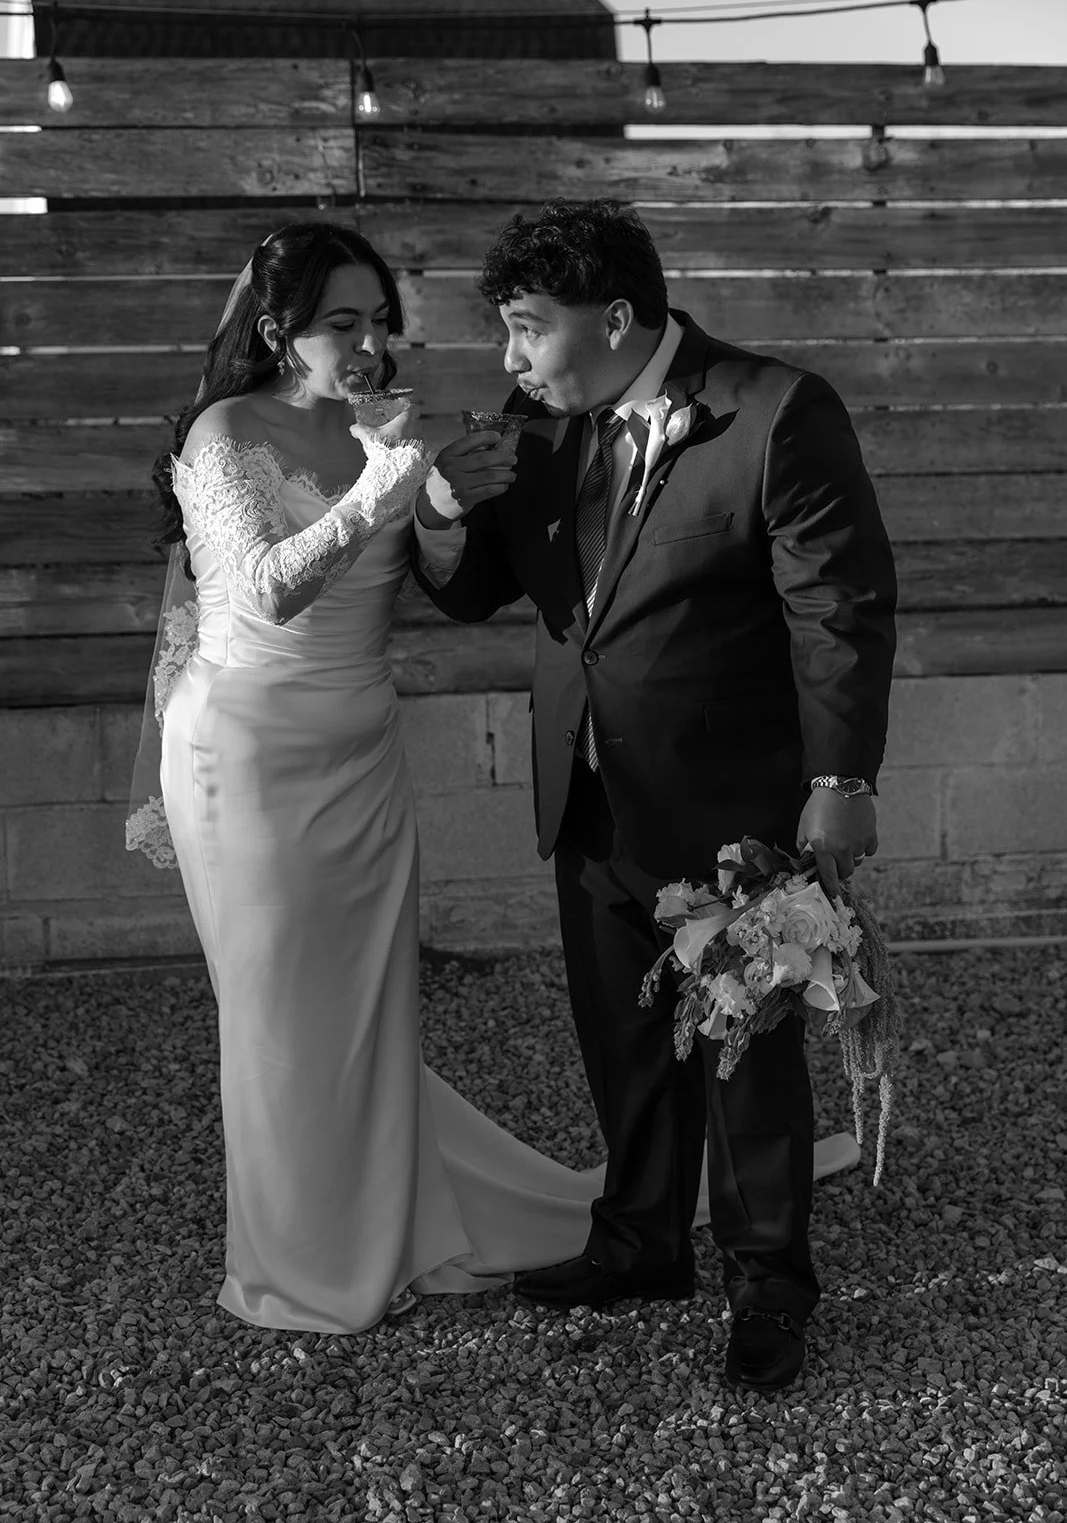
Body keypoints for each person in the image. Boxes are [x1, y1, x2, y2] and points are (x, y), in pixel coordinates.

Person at [412, 198, 897, 1390]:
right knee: (621, 1038)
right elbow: (471, 591)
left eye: (527, 327)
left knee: (744, 1054)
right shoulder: (533, 426)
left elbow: (836, 608)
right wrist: (438, 507)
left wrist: (838, 779)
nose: (510, 359)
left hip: (731, 805)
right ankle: (639, 1242)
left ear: (616, 317)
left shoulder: (775, 409)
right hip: (584, 797)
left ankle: (767, 1279)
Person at [125, 221, 610, 1334]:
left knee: (366, 1010)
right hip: (246, 761)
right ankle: (296, 1269)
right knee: (278, 1017)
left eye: (379, 321)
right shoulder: (224, 433)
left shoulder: (383, 427)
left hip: (363, 753)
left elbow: (428, 577)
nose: (368, 344)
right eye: (341, 323)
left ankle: (388, 1232)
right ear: (275, 332)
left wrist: (439, 504)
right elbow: (264, 590)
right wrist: (386, 480)